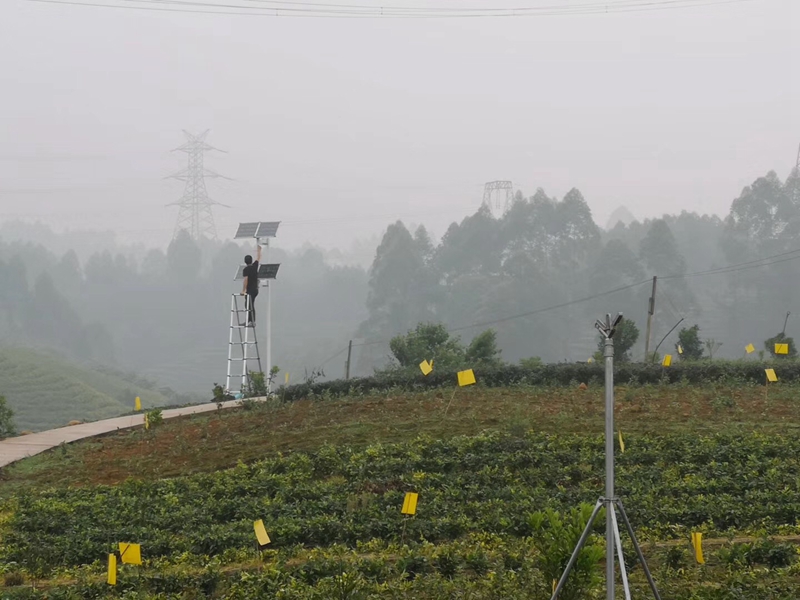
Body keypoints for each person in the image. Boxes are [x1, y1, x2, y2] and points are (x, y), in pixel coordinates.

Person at [241, 244, 261, 326]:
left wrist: (243, 290)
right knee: (249, 304)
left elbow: (246, 280)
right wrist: (259, 250)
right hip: (255, 290)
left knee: (249, 305)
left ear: (245, 261)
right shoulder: (255, 266)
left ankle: (251, 321)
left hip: (250, 290)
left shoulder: (246, 269)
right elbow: (258, 258)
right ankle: (250, 321)